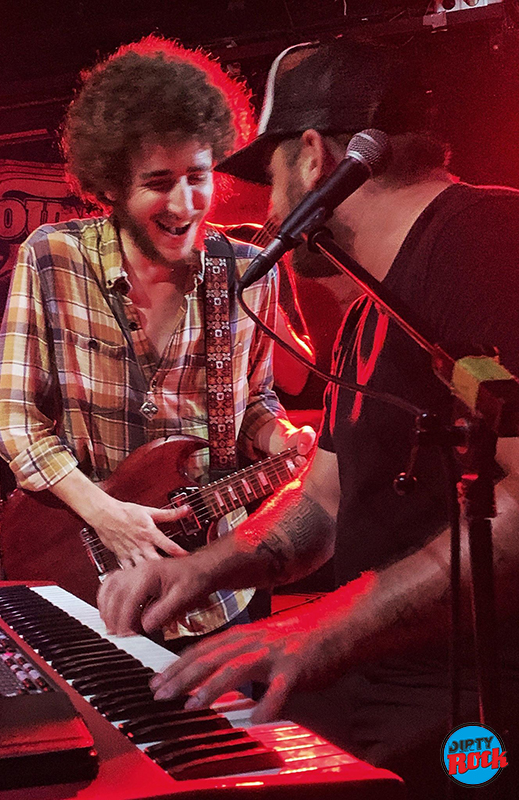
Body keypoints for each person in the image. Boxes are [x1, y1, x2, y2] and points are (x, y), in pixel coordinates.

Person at [98, 39, 519, 796]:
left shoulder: (486, 243)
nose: (269, 210)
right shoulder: (371, 307)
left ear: (316, 156)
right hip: (376, 680)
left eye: (273, 177)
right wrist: (201, 569)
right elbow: (324, 499)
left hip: (472, 709)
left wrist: (324, 626)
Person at [0, 36, 314, 646]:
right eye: (159, 182)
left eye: (198, 176)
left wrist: (280, 438)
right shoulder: (54, 257)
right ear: (112, 184)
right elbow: (11, 416)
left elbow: (254, 401)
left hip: (214, 585)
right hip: (85, 575)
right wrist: (105, 513)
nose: (184, 203)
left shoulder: (248, 271)